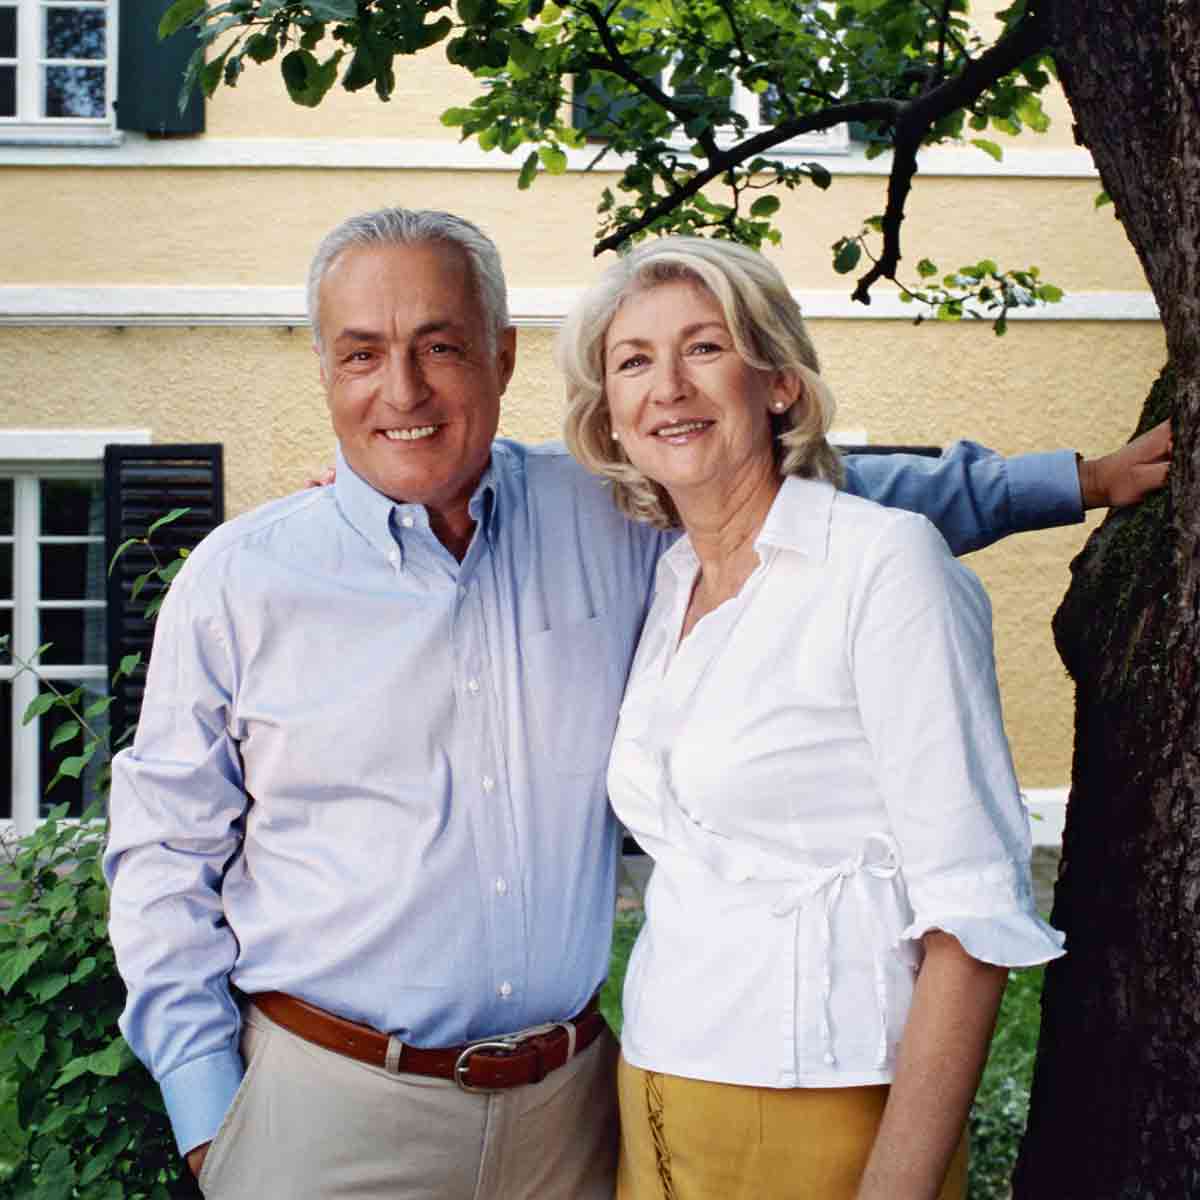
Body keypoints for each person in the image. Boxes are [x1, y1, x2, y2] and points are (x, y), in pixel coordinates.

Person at [103, 207, 1168, 1200]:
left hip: (573, 1117)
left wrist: (1069, 481)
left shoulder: (609, 510)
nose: (404, 392)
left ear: (503, 355)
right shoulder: (243, 580)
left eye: (439, 345)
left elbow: (829, 494)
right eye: (362, 353)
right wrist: (210, 1117)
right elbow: (163, 854)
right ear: (325, 370)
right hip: (326, 1114)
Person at [558, 235, 1073, 1199]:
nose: (667, 385)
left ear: (780, 383)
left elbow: (972, 913)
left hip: (828, 1100)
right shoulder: (668, 579)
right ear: (611, 418)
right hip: (658, 1085)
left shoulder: (884, 566)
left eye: (705, 348)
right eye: (634, 361)